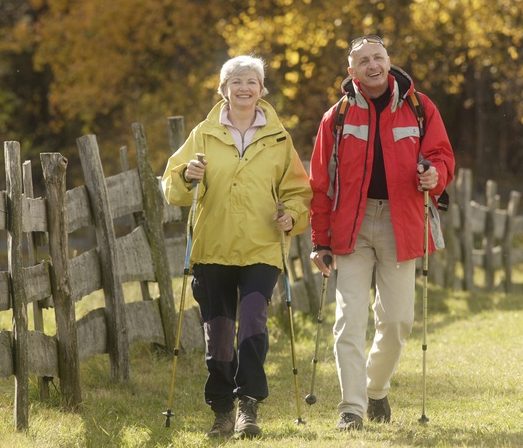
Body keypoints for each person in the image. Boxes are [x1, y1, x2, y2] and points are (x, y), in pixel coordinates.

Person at [308, 35, 455, 431]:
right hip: (350, 229)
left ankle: (375, 388)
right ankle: (351, 408)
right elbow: (320, 184)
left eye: (378, 57)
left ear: (389, 62)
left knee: (397, 321)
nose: (372, 65)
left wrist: (433, 174)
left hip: (401, 222)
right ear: (351, 71)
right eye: (363, 61)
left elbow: (442, 156)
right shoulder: (335, 117)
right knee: (349, 319)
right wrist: (319, 240)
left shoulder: (420, 108)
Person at [162, 54, 312, 439]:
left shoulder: (279, 138)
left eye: (252, 82)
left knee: (252, 323)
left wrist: (291, 216)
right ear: (222, 89)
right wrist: (187, 176)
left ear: (262, 90)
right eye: (236, 82)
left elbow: (298, 191)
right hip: (213, 248)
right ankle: (222, 409)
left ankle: (249, 407)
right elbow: (173, 188)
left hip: (262, 248)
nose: (244, 88)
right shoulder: (203, 133)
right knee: (219, 334)